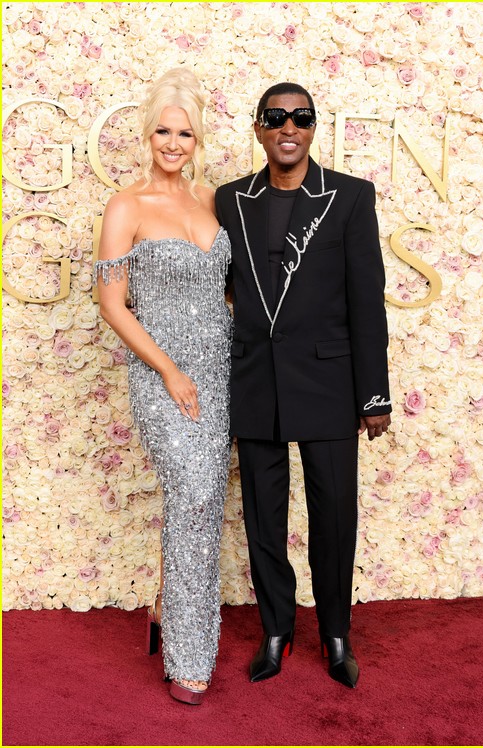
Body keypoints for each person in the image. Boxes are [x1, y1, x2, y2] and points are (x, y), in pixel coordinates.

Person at [215, 82, 391, 689]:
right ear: (258, 126)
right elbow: (219, 285)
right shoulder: (229, 199)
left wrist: (373, 396)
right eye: (276, 117)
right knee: (263, 516)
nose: (288, 126)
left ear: (313, 127)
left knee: (334, 515)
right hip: (255, 382)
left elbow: (367, 302)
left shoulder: (348, 197)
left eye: (301, 117)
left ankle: (336, 633)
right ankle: (276, 630)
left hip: (328, 383)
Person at [94, 68, 232, 705]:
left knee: (203, 505)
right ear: (145, 135)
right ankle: (188, 655)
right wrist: (171, 370)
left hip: (222, 375)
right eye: (162, 131)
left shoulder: (211, 202)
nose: (173, 142)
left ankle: (165, 610)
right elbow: (114, 305)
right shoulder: (127, 206)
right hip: (162, 376)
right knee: (195, 497)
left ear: (198, 138)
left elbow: (231, 290)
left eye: (185, 132)